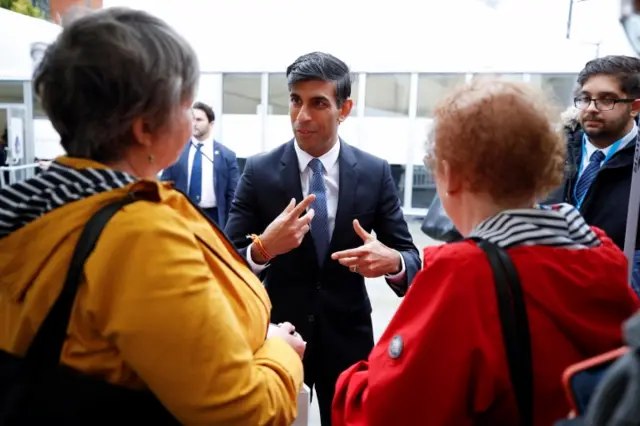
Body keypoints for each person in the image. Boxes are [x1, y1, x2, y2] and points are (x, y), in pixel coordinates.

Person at [0, 7, 304, 425]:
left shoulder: (29, 199)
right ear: (144, 127)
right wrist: (280, 354)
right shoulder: (139, 234)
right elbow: (243, 412)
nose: (190, 120)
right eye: (183, 106)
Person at [331, 78, 640, 426]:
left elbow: (385, 412)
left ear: (449, 175)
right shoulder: (601, 250)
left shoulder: (466, 273)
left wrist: (348, 381)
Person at [224, 51, 421, 425]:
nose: (302, 116)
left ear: (344, 109)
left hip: (347, 338)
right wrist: (262, 249)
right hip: (276, 336)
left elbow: (410, 257)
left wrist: (392, 262)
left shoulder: (375, 172)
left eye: (318, 103)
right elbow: (227, 264)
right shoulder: (259, 171)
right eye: (296, 100)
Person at [546, 56, 640, 293]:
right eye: (586, 98)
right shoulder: (549, 152)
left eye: (607, 100)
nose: (591, 108)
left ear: (635, 107)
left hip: (619, 298)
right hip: (553, 287)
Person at [161, 101, 239, 227]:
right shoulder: (176, 151)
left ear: (211, 123)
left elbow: (233, 194)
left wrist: (231, 227)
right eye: (192, 119)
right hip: (182, 217)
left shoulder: (227, 156)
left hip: (214, 219)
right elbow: (164, 186)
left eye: (199, 120)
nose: (194, 124)